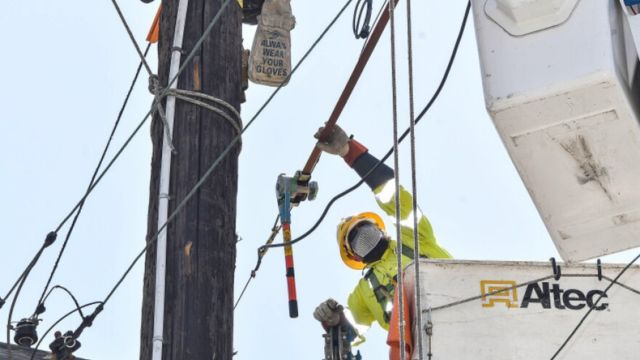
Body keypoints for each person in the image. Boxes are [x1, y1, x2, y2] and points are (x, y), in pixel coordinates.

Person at [312, 125, 452, 341]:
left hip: (462, 301)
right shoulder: (363, 292)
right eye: (356, 239)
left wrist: (350, 153)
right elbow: (353, 331)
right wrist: (334, 320)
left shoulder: (414, 238)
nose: (363, 236)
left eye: (365, 228)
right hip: (424, 344)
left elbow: (391, 194)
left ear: (380, 229)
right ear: (354, 256)